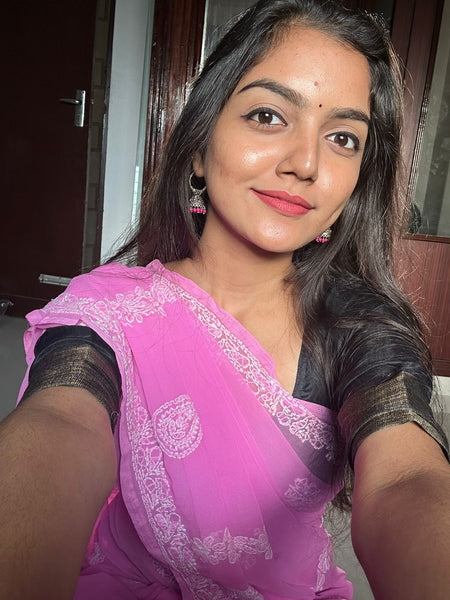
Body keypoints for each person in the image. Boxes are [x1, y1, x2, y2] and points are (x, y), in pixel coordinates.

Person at [0, 0, 449, 598]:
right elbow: (61, 420)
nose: (306, 163)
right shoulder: (112, 314)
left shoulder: (359, 328)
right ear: (198, 146)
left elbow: (405, 478)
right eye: (267, 115)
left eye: (343, 137)